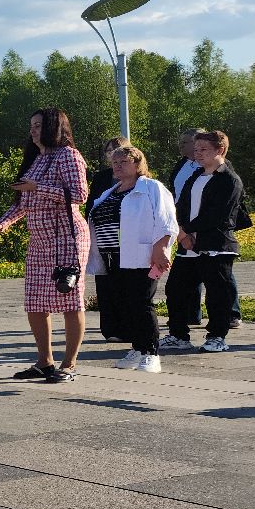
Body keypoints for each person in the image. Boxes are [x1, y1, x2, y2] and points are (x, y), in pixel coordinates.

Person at [0, 108, 91, 382]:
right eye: (31, 125)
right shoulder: (37, 159)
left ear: (54, 127)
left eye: (38, 125)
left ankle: (69, 365)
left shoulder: (68, 155)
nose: (32, 130)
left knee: (70, 301)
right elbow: (23, 203)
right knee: (35, 303)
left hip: (66, 237)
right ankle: (45, 362)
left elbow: (79, 195)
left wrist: (39, 187)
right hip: (40, 241)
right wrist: (3, 223)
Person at [89, 145, 176, 372]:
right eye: (114, 163)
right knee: (124, 304)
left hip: (140, 256)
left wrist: (161, 249)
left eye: (123, 162)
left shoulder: (151, 187)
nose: (117, 166)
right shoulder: (111, 191)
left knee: (141, 303)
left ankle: (151, 352)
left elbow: (166, 221)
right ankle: (137, 348)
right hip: (112, 257)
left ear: (138, 164)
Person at [163, 129, 247, 353]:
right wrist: (181, 232)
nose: (197, 153)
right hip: (188, 245)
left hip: (216, 246)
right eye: (196, 149)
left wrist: (189, 231)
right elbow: (180, 206)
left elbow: (218, 214)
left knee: (217, 293)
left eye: (203, 149)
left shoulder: (229, 180)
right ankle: (178, 334)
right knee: (175, 289)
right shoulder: (195, 176)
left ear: (220, 150)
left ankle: (217, 336)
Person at [88, 138, 126, 342]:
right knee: (104, 283)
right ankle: (110, 329)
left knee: (124, 285)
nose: (113, 155)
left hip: (126, 241)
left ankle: (127, 327)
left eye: (117, 150)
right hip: (102, 238)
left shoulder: (139, 178)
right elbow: (91, 204)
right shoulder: (102, 177)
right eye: (109, 151)